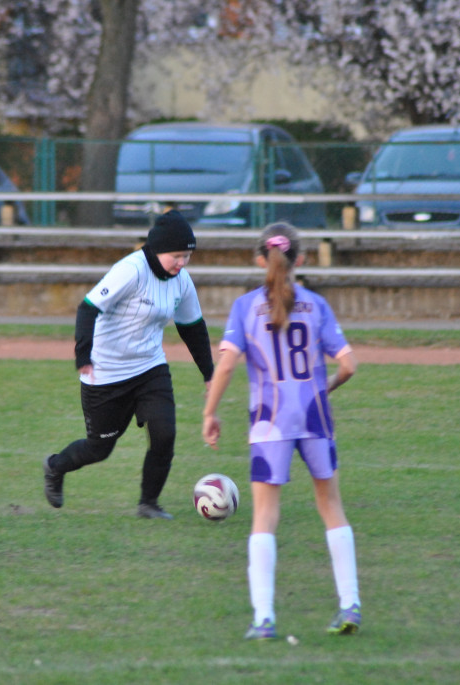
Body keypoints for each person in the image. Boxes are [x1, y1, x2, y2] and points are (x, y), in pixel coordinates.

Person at [202, 222, 361, 640]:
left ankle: (265, 618)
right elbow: (348, 365)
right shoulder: (316, 305)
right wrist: (322, 391)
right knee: (331, 508)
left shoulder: (244, 307)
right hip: (315, 417)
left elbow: (227, 364)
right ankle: (350, 604)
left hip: (268, 422)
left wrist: (210, 413)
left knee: (264, 517)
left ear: (260, 260)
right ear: (301, 259)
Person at [43, 210, 214, 519]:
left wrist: (209, 374)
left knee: (165, 433)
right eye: (177, 256)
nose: (182, 263)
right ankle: (55, 467)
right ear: (159, 249)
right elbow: (88, 308)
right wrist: (83, 356)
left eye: (187, 256)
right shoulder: (131, 271)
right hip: (106, 373)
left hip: (150, 368)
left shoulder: (182, 282)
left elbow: (192, 327)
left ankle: (149, 503)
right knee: (99, 449)